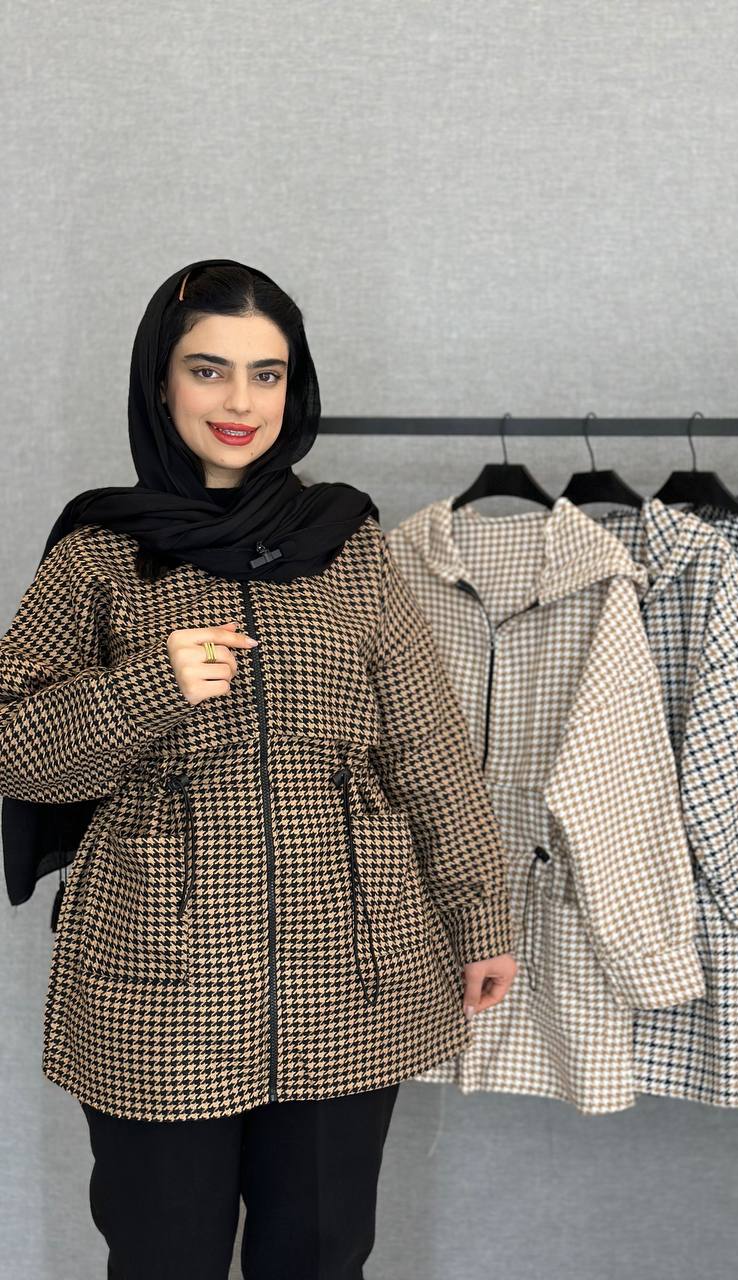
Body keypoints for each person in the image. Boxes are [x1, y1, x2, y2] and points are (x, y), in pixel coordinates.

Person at [0, 257, 517, 1278]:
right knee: (165, 1256)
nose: (241, 402)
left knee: (320, 1255)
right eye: (209, 370)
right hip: (160, 971)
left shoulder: (349, 542)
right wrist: (149, 685)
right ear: (161, 382)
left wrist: (479, 914)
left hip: (349, 962)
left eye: (266, 374)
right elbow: (13, 745)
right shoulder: (99, 553)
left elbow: (426, 744)